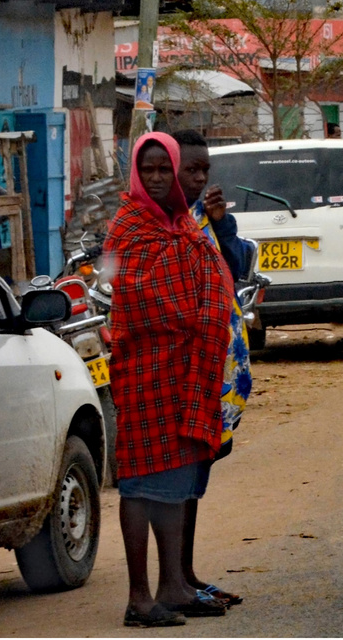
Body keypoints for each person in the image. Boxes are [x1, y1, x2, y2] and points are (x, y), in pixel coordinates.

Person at [106, 133, 233, 627]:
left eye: (165, 169)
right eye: (150, 170)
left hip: (185, 374)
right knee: (139, 485)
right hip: (143, 373)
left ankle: (173, 585)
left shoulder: (183, 224)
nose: (158, 178)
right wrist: (188, 313)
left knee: (176, 481)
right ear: (137, 174)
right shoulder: (128, 227)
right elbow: (132, 296)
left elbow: (217, 277)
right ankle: (139, 598)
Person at [168, 130, 252, 611]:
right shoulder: (167, 224)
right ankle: (175, 579)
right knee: (182, 475)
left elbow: (237, 266)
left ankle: (187, 572)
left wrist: (222, 224)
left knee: (197, 475)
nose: (200, 179)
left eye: (205, 171)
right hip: (190, 368)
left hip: (221, 367)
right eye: (190, 170)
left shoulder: (210, 219)